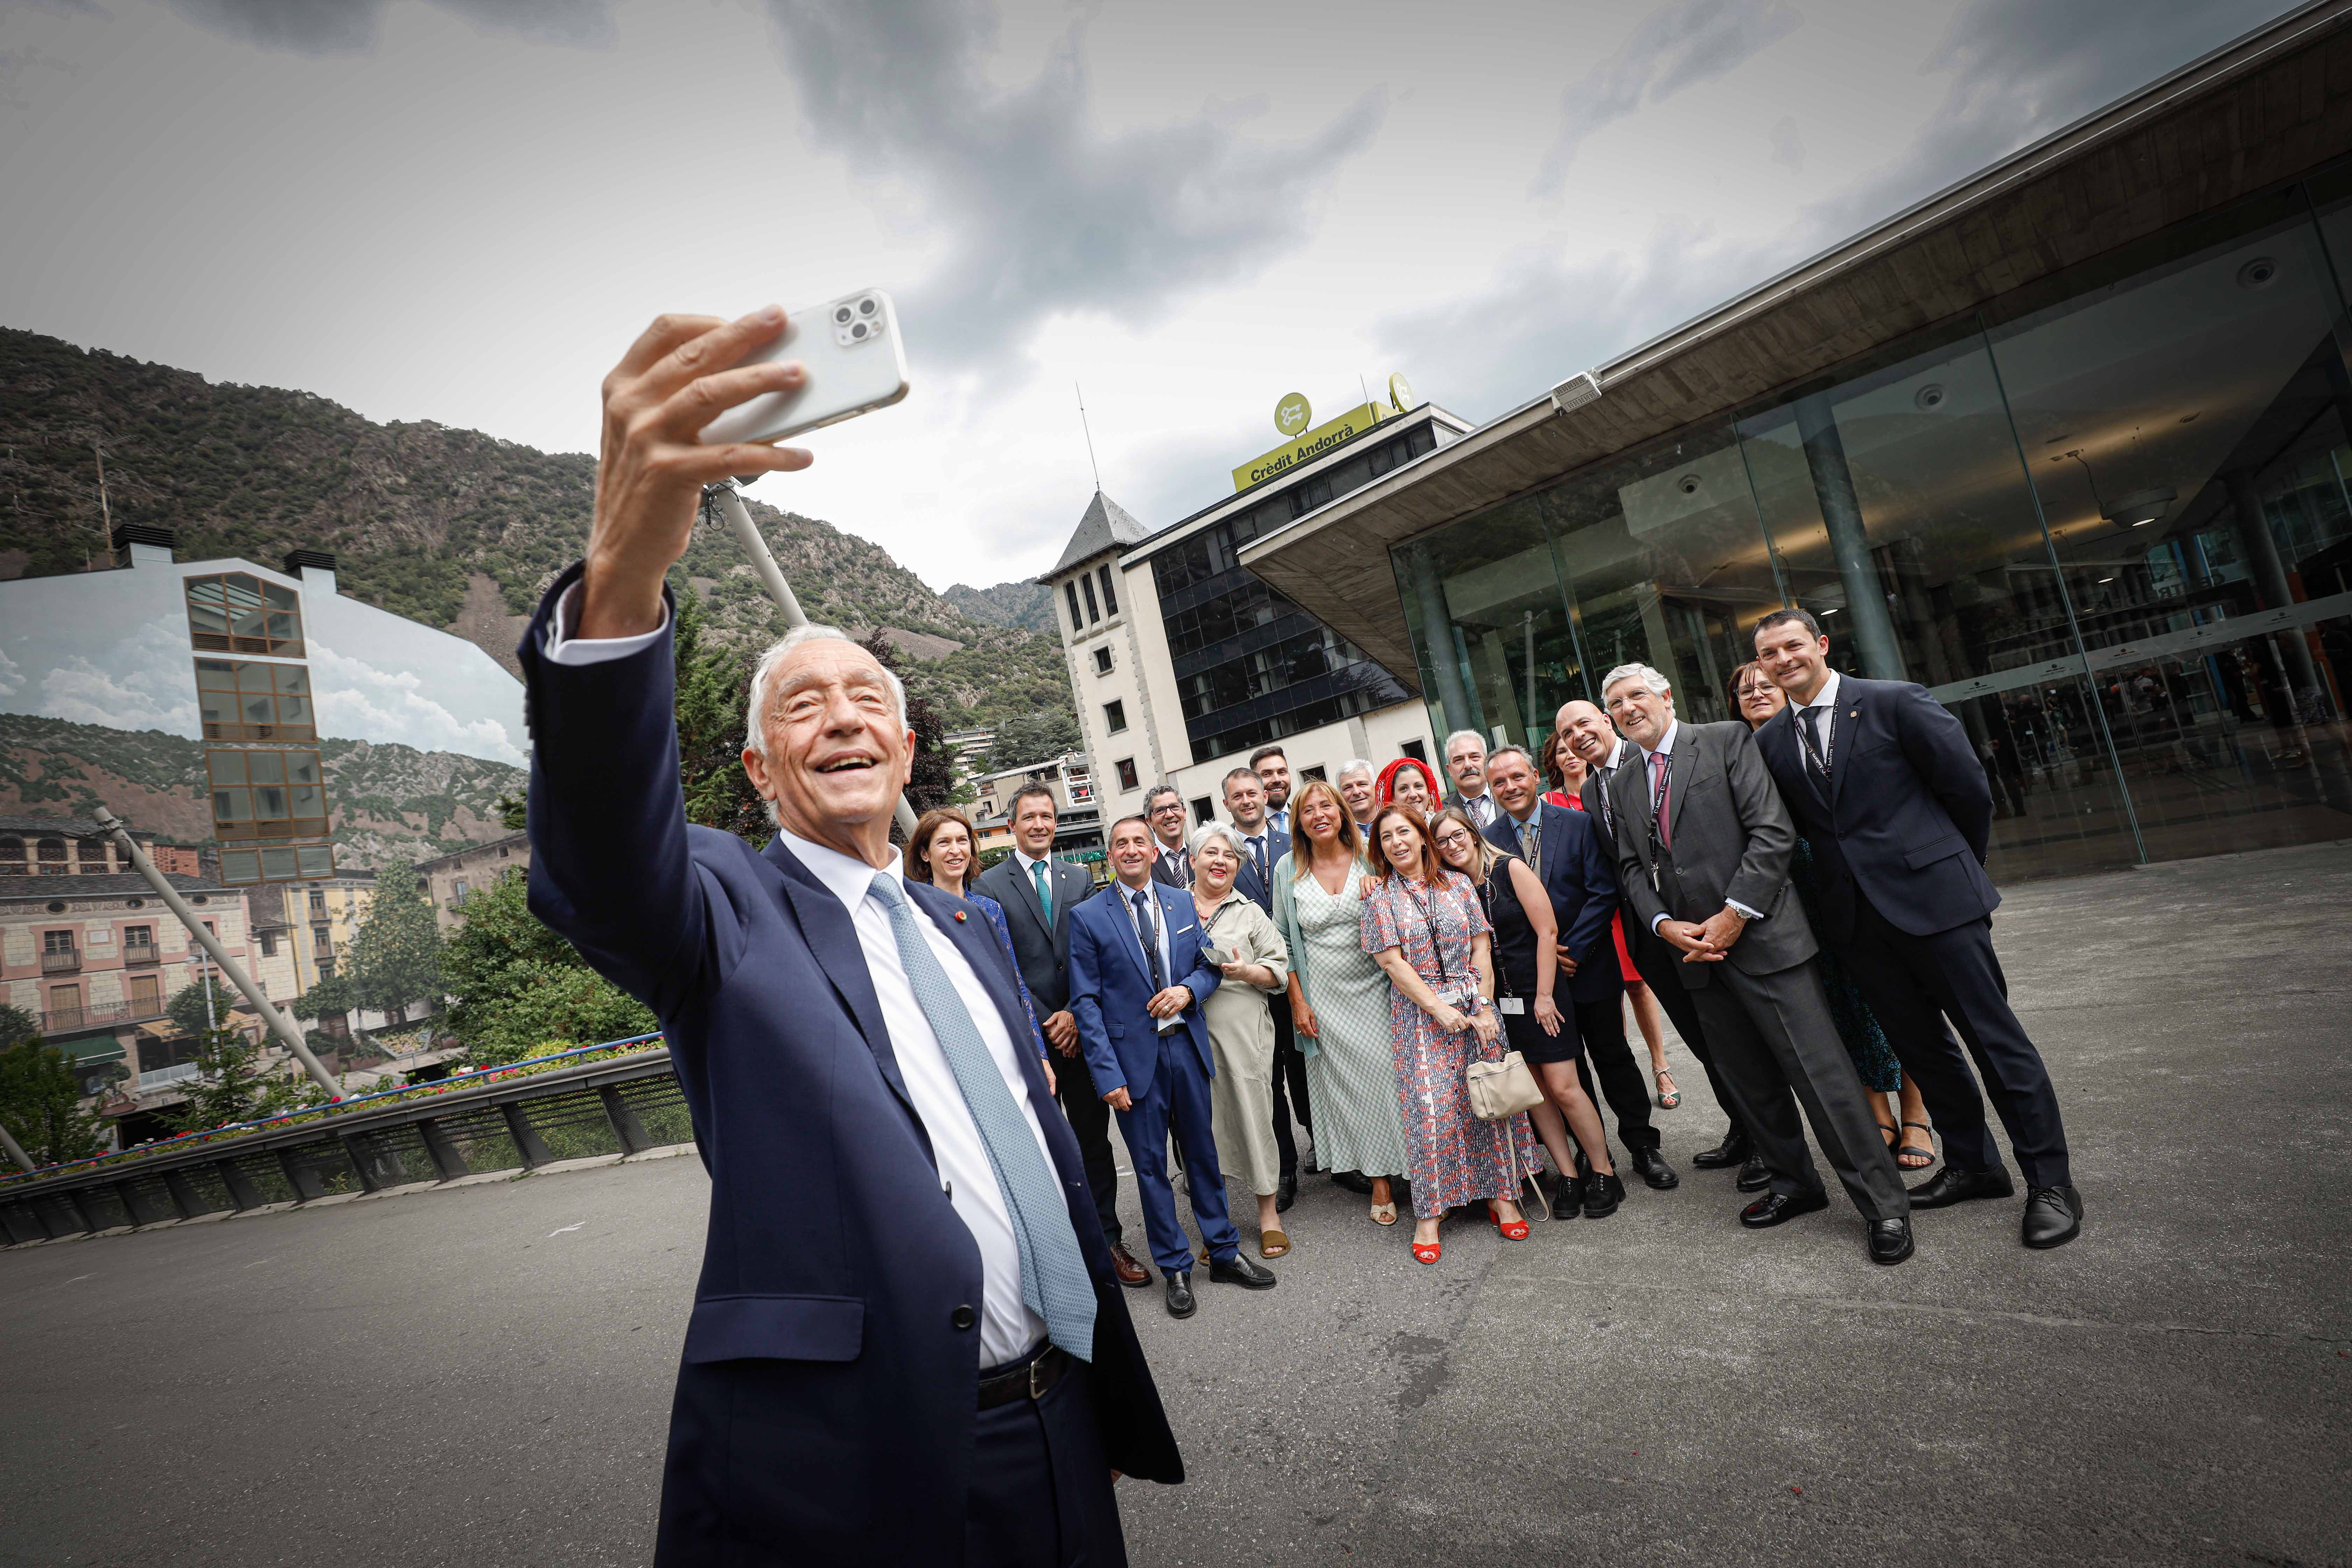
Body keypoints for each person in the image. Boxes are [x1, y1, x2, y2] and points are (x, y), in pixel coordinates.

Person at [527, 308, 1176, 1563]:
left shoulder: (966, 922)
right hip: (864, 1467)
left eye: (865, 697)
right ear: (760, 768)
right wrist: (622, 581)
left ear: (906, 750)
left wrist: (1085, 1381)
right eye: (802, 704)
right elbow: (605, 858)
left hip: (1057, 1423)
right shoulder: (719, 913)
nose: (840, 717)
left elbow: (1033, 1150)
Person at [1750, 610, 2081, 1248]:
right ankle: (1975, 1166)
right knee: (1925, 1053)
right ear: (1762, 666)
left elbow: (1969, 793)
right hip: (1859, 927)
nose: (1783, 659)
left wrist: (1950, 871)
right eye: (1770, 654)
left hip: (1939, 904)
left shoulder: (1894, 702)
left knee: (1996, 1043)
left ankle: (2052, 1184)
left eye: (1793, 645)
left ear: (1821, 645)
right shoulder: (1769, 745)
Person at [1595, 662, 1913, 1266]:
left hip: (1763, 940)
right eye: (1616, 703)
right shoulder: (1622, 782)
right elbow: (1633, 869)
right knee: (1751, 1084)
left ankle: (1884, 1205)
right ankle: (1796, 1185)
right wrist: (1665, 925)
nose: (1628, 708)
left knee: (1823, 1079)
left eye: (1637, 695)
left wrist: (1733, 915)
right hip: (1695, 956)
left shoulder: (1724, 740)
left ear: (1665, 694)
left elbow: (1773, 833)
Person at [1069, 816, 1281, 1316]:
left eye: (1139, 842)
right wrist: (1108, 1076)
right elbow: (1086, 1003)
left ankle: (1225, 1253)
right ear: (1110, 854)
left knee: (1203, 1156)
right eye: (1121, 844)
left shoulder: (1181, 902)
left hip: (1186, 1047)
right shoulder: (1088, 916)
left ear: (1152, 850)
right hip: (1131, 1063)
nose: (1131, 850)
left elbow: (1207, 969)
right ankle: (1176, 1267)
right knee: (1150, 1169)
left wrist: (1188, 991)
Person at [1729, 662, 1935, 1171]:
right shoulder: (1740, 755)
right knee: (1839, 1009)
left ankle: (1918, 1114)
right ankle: (1875, 1113)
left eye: (1764, 685)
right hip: (1792, 903)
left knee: (1896, 1002)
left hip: (1854, 884)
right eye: (1743, 690)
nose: (1755, 694)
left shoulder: (1821, 735)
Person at [1556, 698, 1762, 1191]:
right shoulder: (1589, 790)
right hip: (1648, 935)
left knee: (1731, 1034)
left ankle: (1764, 1139)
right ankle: (1741, 1129)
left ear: (1606, 722)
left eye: (1585, 722)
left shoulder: (1645, 759)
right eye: (1566, 733)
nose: (1578, 736)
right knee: (1699, 1036)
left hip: (1694, 922)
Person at [1479, 744, 1676, 1193]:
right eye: (1500, 782)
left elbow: (1602, 890)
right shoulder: (1488, 840)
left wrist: (1571, 951)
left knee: (1613, 1056)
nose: (1510, 787)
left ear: (1533, 776)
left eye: (1517, 777)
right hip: (1534, 983)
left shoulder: (1578, 823)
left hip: (1587, 965)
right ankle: (1594, 1157)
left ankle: (1644, 1147)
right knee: (1567, 1073)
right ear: (1491, 790)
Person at [975, 786, 1148, 1288]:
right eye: (1028, 816)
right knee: (1043, 1146)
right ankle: (1057, 1254)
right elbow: (999, 967)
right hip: (1029, 1040)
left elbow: (1097, 954)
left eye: (1047, 816)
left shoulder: (1081, 878)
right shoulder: (989, 886)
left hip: (1082, 1033)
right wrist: (1047, 1017)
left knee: (1095, 1144)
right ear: (1012, 825)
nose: (1039, 824)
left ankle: (1108, 1241)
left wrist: (1073, 1013)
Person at [1360, 803, 1542, 1264]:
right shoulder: (1380, 895)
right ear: (1380, 849)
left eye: (1405, 832)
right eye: (1387, 838)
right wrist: (1440, 1009)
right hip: (1420, 1018)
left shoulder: (1459, 884)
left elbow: (1481, 946)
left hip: (1476, 1006)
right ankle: (1431, 1212)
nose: (1398, 842)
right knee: (1433, 1113)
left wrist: (1481, 1005)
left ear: (1423, 836)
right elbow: (1391, 962)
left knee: (1489, 1101)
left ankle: (1502, 1194)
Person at [1428, 805, 1620, 1220]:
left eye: (1457, 834)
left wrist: (1547, 995)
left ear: (1472, 832)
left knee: (1564, 1086)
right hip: (1500, 1002)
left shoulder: (1509, 868)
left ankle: (1604, 1171)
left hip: (1542, 993)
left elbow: (1547, 931)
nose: (1452, 845)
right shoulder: (1456, 886)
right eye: (1441, 841)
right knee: (1533, 1090)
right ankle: (1568, 1174)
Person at [1274, 778, 1412, 1223]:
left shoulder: (1372, 855)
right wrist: (1298, 1002)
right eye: (1308, 809)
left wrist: (1383, 893)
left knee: (1394, 1085)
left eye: (1327, 806)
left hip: (1381, 993)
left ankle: (1419, 1170)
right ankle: (1379, 1181)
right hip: (1325, 1002)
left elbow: (1408, 904)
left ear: (1342, 812)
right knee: (1354, 1095)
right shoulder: (1286, 868)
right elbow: (1284, 944)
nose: (1319, 815)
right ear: (1299, 821)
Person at [1545, 732, 1678, 1113]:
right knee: (1608, 998)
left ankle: (1661, 1067)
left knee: (1639, 987)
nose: (1571, 755)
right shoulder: (1550, 802)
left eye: (1574, 748)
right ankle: (1621, 1069)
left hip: (1624, 902)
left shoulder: (1604, 787)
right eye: (1561, 751)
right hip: (1591, 913)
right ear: (1553, 761)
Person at [1185, 820, 1293, 1258]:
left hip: (1244, 1033)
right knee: (1203, 1131)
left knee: (1253, 1120)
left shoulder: (1250, 912)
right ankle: (1219, 1223)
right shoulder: (1172, 908)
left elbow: (1279, 972)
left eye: (1230, 855)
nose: (1221, 861)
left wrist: (1246, 971)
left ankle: (1269, 1216)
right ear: (1193, 861)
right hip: (1189, 1036)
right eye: (1211, 853)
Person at [1222, 766, 1310, 1209]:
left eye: (1252, 792)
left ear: (1265, 795)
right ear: (1227, 804)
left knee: (1307, 1071)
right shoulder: (1224, 852)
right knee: (1269, 1082)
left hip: (1297, 976)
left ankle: (1331, 1153)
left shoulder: (1293, 840)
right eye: (1237, 795)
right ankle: (1284, 1168)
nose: (1247, 800)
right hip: (1251, 987)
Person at [908, 806, 1053, 1078]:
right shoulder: (913, 910)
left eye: (962, 841)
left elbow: (1015, 985)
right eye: (944, 842)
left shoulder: (990, 911)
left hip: (999, 1040)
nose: (955, 850)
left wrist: (1040, 1055)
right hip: (942, 1047)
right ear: (925, 854)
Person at [1441, 729, 1501, 829]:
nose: (1468, 765)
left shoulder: (1509, 797)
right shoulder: (1441, 812)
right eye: (1459, 760)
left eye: (1475, 757)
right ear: (1450, 770)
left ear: (1487, 762)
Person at [1144, 783, 1192, 889]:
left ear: (1184, 813)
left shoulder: (1200, 855)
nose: (1169, 815)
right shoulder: (1144, 865)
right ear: (1150, 822)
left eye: (1175, 807)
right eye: (1160, 810)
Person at [1251, 744, 1294, 836]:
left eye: (1282, 772)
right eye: (1267, 774)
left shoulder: (1306, 817)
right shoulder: (1240, 832)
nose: (1277, 780)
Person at [1376, 755, 1441, 816]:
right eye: (1404, 789)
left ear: (1428, 791)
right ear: (1393, 797)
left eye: (1419, 786)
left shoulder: (1441, 825)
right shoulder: (1388, 827)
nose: (1413, 795)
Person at [1336, 758, 1382, 834]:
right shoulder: (1339, 834)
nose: (1356, 792)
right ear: (1340, 796)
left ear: (1376, 787)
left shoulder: (1397, 819)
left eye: (1362, 784)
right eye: (1348, 788)